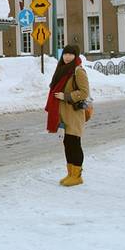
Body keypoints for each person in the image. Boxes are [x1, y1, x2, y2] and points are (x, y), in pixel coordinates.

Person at [44, 44, 90, 187]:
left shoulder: (78, 71)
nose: (67, 57)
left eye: (71, 54)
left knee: (74, 144)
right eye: (65, 54)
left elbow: (84, 92)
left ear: (75, 56)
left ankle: (77, 176)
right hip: (63, 114)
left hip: (73, 114)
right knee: (67, 144)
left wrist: (66, 96)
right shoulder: (62, 70)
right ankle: (70, 173)